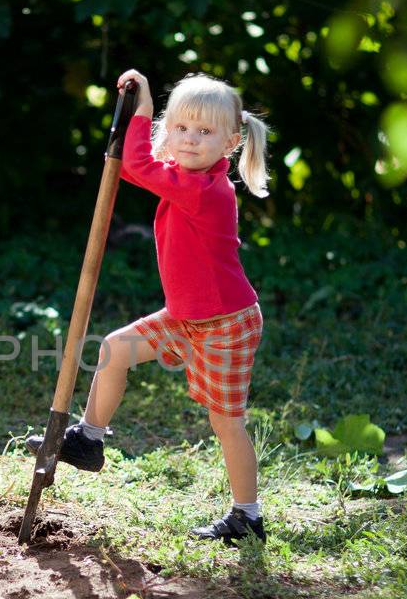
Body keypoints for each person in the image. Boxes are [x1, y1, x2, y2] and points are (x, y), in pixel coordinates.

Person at [30, 68, 270, 543]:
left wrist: (140, 112)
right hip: (185, 318)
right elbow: (148, 164)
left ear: (230, 142)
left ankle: (248, 515)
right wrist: (144, 120)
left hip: (225, 323)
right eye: (181, 127)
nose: (190, 139)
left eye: (204, 132)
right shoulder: (185, 176)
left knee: (226, 421)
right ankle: (89, 440)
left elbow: (136, 166)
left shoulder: (205, 190)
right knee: (115, 349)